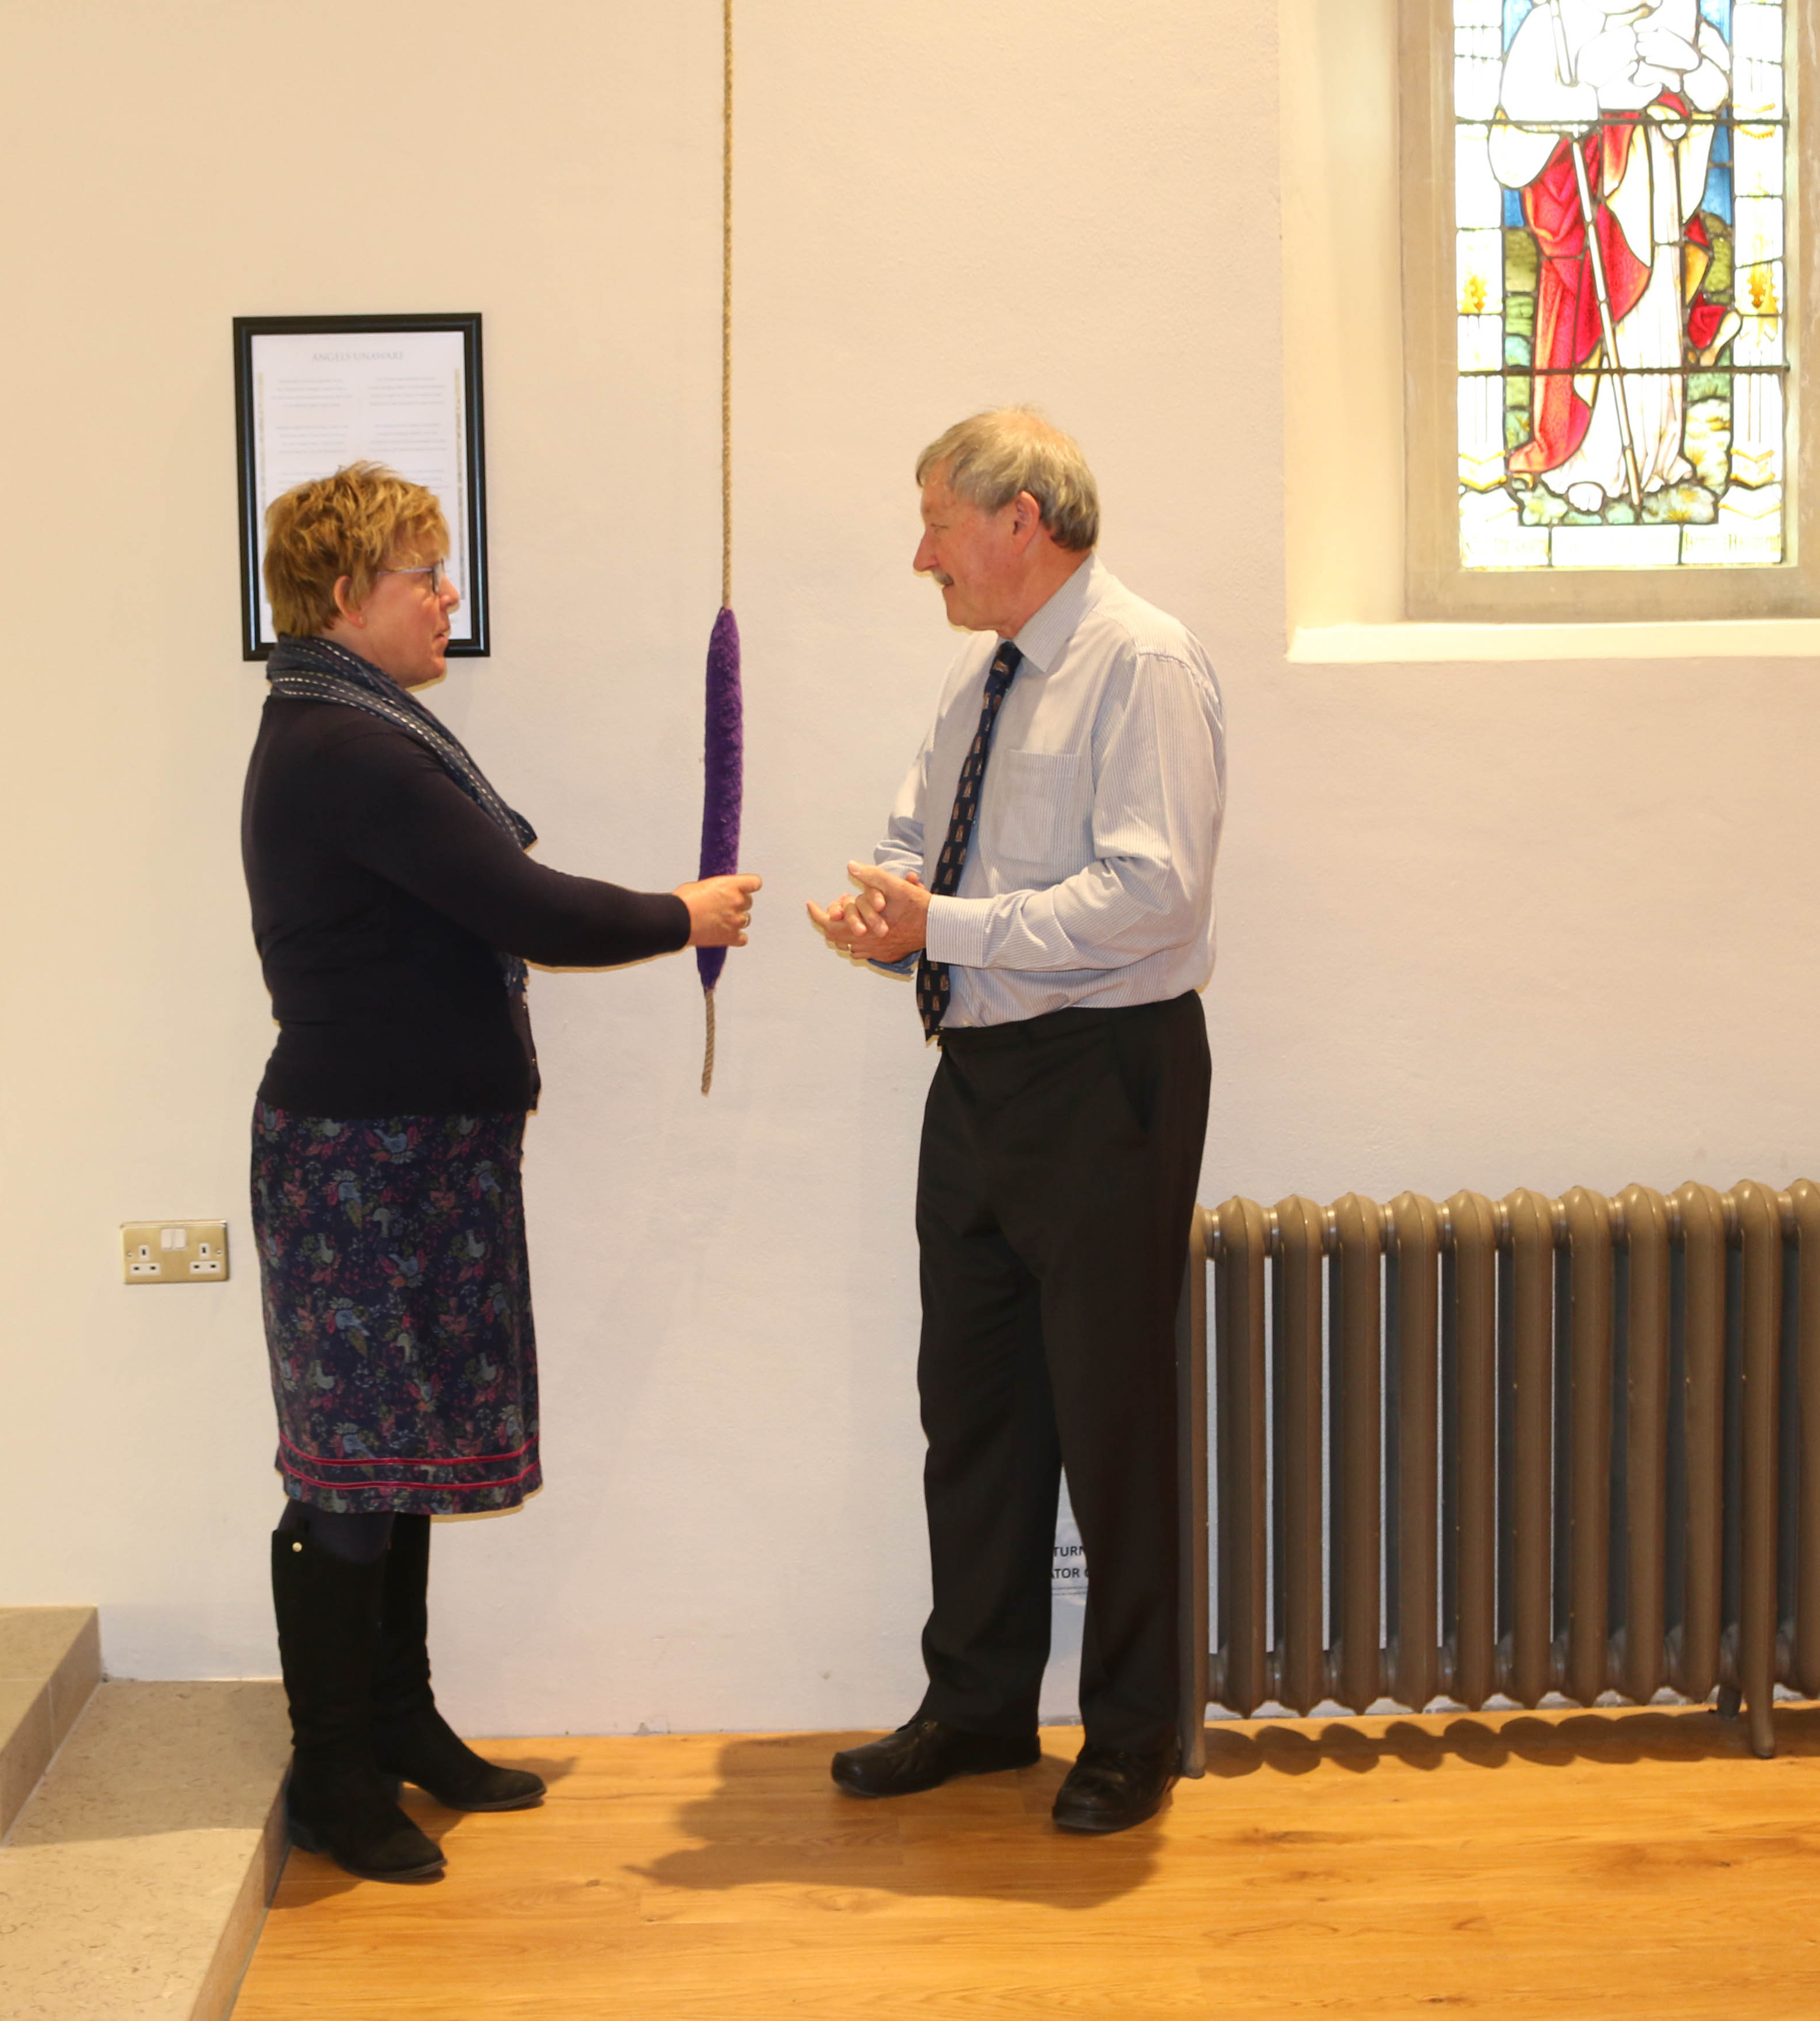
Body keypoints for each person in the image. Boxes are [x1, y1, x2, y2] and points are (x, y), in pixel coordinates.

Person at [242, 462, 760, 1883]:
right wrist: (684, 912)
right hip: (363, 1161)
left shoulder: (348, 727)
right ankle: (335, 1775)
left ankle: (400, 1723)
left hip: (411, 1152)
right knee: (350, 1482)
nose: (448, 600)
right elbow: (520, 904)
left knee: (391, 1464)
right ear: (350, 595)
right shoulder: (348, 750)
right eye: (428, 574)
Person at [808, 409, 1224, 1835]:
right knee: (973, 1411)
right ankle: (981, 1707)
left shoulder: (1144, 664)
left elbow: (1154, 893)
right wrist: (888, 908)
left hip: (1109, 1077)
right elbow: (923, 837)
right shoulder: (976, 681)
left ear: (1022, 520)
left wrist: (951, 921)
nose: (922, 554)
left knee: (1112, 1418)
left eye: (937, 522)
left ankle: (1131, 1735)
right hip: (978, 1079)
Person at [1490, 0, 1736, 511]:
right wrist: (1588, 96)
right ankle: (1583, 463)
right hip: (1591, 207)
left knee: (1656, 320)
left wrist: (1686, 67)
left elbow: (1716, 87)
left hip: (1656, 195)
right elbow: (1519, 105)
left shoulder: (1680, 19)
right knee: (1591, 321)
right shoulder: (1552, 22)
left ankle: (1658, 453)